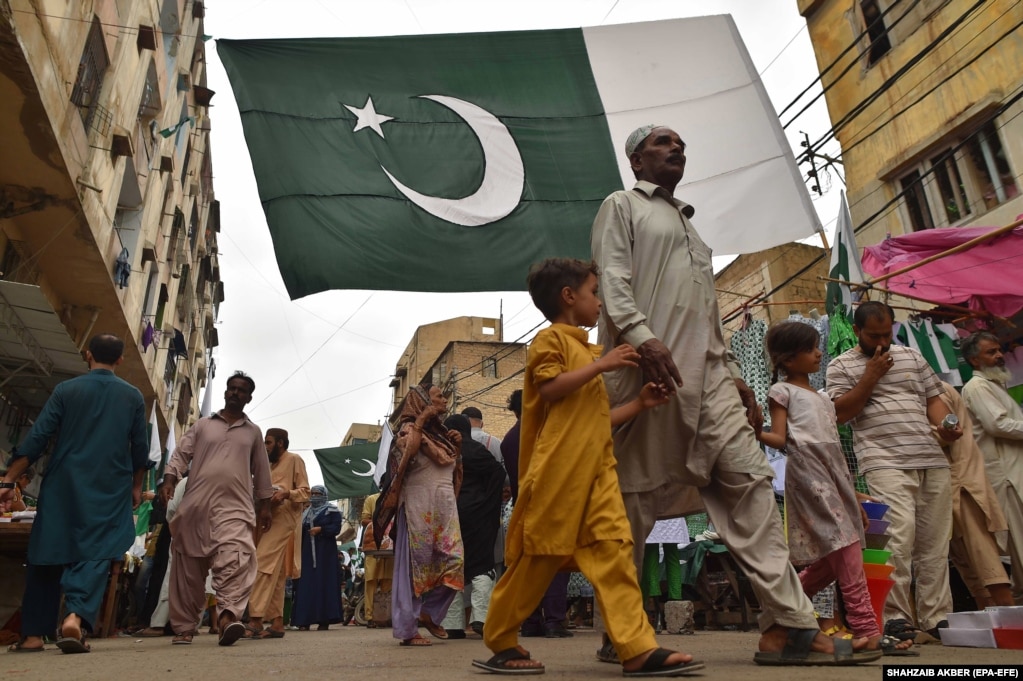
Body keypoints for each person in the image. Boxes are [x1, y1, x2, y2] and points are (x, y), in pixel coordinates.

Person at [591, 125, 878, 665]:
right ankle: (620, 626)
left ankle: (785, 629)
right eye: (661, 143)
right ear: (635, 160)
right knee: (634, 503)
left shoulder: (694, 232)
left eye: (681, 142)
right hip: (650, 375)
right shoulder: (621, 205)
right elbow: (611, 278)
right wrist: (642, 337)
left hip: (713, 381)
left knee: (751, 486)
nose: (676, 148)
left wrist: (733, 374)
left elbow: (704, 313)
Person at [475, 257, 697, 676]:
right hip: (559, 472)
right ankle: (501, 640)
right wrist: (603, 364)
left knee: (616, 551)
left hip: (597, 472)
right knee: (538, 558)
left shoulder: (582, 348)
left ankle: (636, 647)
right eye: (594, 292)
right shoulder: (550, 341)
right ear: (568, 296)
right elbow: (551, 388)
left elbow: (593, 419)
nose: (599, 302)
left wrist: (639, 405)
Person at [756, 321, 913, 655]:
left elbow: (836, 453)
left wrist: (852, 495)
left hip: (835, 476)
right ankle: (867, 628)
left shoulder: (824, 398)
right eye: (811, 349)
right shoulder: (781, 392)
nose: (819, 353)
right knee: (847, 547)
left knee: (834, 557)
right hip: (809, 475)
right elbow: (780, 439)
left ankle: (776, 614)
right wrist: (753, 430)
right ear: (787, 359)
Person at [0, 334, 149, 654]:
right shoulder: (133, 396)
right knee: (95, 551)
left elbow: (38, 438)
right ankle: (74, 616)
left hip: (64, 484)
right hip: (109, 488)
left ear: (87, 354)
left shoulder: (66, 390)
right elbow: (140, 449)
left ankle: (33, 636)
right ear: (120, 361)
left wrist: (9, 479)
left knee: (47, 553)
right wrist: (136, 487)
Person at [827, 302, 961, 642]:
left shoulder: (912, 357)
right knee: (896, 543)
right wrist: (871, 375)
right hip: (884, 461)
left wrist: (946, 424)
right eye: (874, 336)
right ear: (856, 331)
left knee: (934, 545)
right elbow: (840, 413)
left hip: (930, 458)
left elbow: (934, 399)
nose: (883, 342)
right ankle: (896, 618)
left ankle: (936, 618)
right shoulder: (840, 366)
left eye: (887, 334)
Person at [159, 371, 273, 647]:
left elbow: (261, 470)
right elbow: (181, 454)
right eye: (231, 388)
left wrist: (265, 506)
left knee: (236, 558)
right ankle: (185, 627)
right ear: (225, 392)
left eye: (241, 390)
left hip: (236, 507)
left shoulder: (253, 433)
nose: (235, 393)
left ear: (249, 397)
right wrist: (170, 478)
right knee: (188, 569)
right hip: (196, 506)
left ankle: (227, 616)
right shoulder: (202, 426)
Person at [373, 383, 463, 647]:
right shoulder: (408, 430)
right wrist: (421, 421)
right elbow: (405, 457)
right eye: (437, 398)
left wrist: (459, 448)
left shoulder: (443, 436)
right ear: (422, 403)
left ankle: (429, 612)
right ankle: (407, 629)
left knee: (455, 562)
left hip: (444, 511)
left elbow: (455, 474)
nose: (444, 401)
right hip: (416, 509)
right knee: (413, 571)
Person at [936, 381, 1014, 608]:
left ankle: (1005, 614)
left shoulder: (934, 389)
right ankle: (993, 616)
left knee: (981, 551)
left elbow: (946, 433)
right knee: (962, 555)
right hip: (950, 479)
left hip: (960, 480)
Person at [960, 332, 1023, 600]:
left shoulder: (995, 384)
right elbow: (997, 425)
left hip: (1014, 470)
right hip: (1005, 476)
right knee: (1019, 542)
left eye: (999, 350)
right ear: (974, 360)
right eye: (991, 352)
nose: (999, 356)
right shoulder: (977, 387)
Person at [439, 414, 506, 638]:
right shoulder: (477, 451)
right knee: (482, 565)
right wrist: (489, 503)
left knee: (452, 566)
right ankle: (482, 619)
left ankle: (453, 625)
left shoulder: (445, 453)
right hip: (478, 517)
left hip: (451, 516)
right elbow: (498, 473)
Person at [245, 428, 310, 639]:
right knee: (276, 572)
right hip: (264, 519)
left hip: (284, 519)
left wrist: (285, 493)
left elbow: (305, 492)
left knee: (261, 563)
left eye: (269, 442)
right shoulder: (267, 465)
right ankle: (277, 623)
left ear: (281, 443)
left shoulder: (294, 460)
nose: (265, 446)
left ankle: (255, 620)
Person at [291, 485, 343, 630]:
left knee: (324, 583)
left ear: (324, 495)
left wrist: (321, 529)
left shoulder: (331, 510)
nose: (314, 496)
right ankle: (304, 621)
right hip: (307, 554)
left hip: (325, 554)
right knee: (306, 584)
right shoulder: (306, 512)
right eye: (312, 493)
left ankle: (324, 620)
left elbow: (336, 528)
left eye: (317, 493)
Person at [361, 491, 394, 627]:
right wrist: (383, 524)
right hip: (373, 546)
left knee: (388, 581)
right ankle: (370, 617)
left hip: (391, 546)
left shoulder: (397, 497)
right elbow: (364, 521)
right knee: (371, 581)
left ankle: (384, 616)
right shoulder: (371, 499)